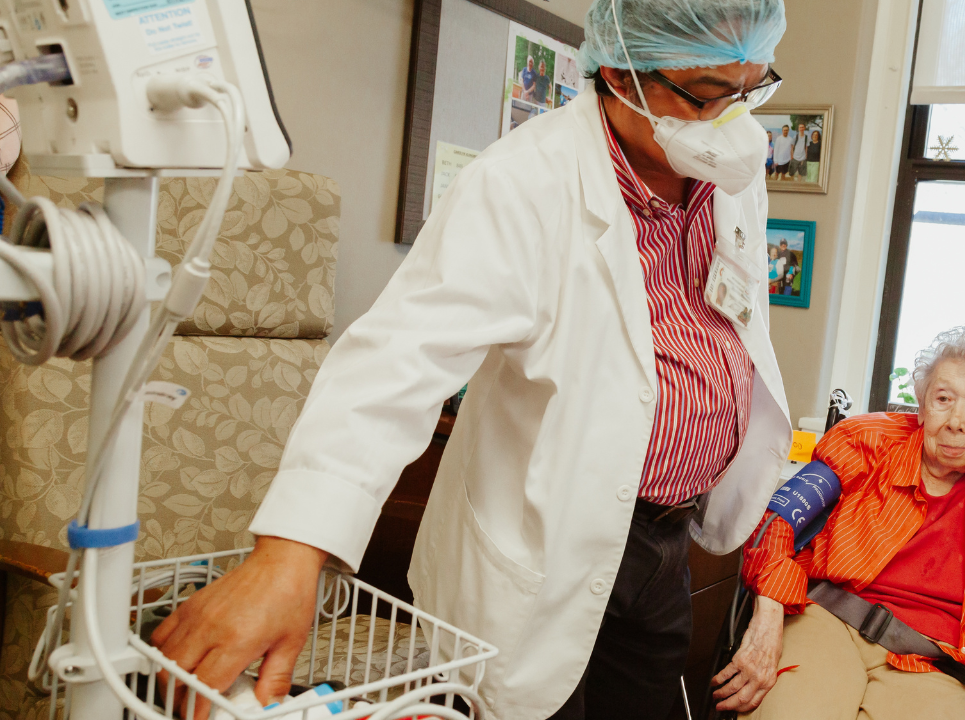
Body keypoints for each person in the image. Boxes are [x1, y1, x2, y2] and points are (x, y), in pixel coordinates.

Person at [148, 2, 789, 720]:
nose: (730, 123)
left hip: (669, 545)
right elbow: (395, 360)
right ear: (620, 73)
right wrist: (289, 553)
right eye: (706, 94)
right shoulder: (522, 183)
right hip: (549, 545)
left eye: (750, 89)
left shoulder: (731, 171)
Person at [711, 327, 965, 717]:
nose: (955, 421)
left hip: (937, 661)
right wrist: (767, 615)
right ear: (922, 404)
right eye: (943, 398)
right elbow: (777, 521)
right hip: (827, 622)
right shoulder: (866, 440)